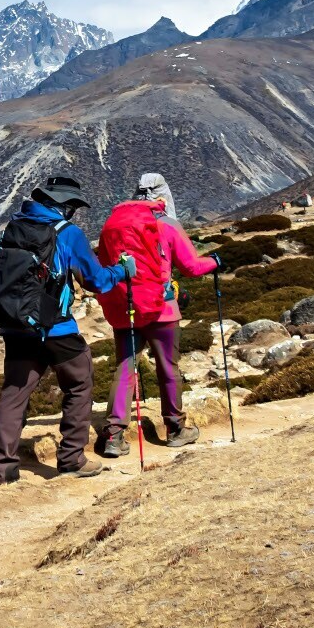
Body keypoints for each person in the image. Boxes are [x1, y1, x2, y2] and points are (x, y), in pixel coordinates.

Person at [0, 176, 132, 486]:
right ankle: (71, 459)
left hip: (17, 326)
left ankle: (4, 472)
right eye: (73, 206)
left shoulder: (15, 227)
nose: (74, 212)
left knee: (14, 395)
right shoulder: (68, 233)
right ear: (64, 206)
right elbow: (94, 280)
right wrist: (122, 271)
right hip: (56, 327)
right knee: (79, 381)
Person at [96, 173, 221, 456]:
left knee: (125, 369)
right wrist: (214, 261)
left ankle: (114, 435)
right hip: (162, 309)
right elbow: (191, 267)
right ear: (162, 196)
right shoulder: (167, 224)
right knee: (168, 368)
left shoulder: (113, 226)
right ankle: (175, 429)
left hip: (125, 309)